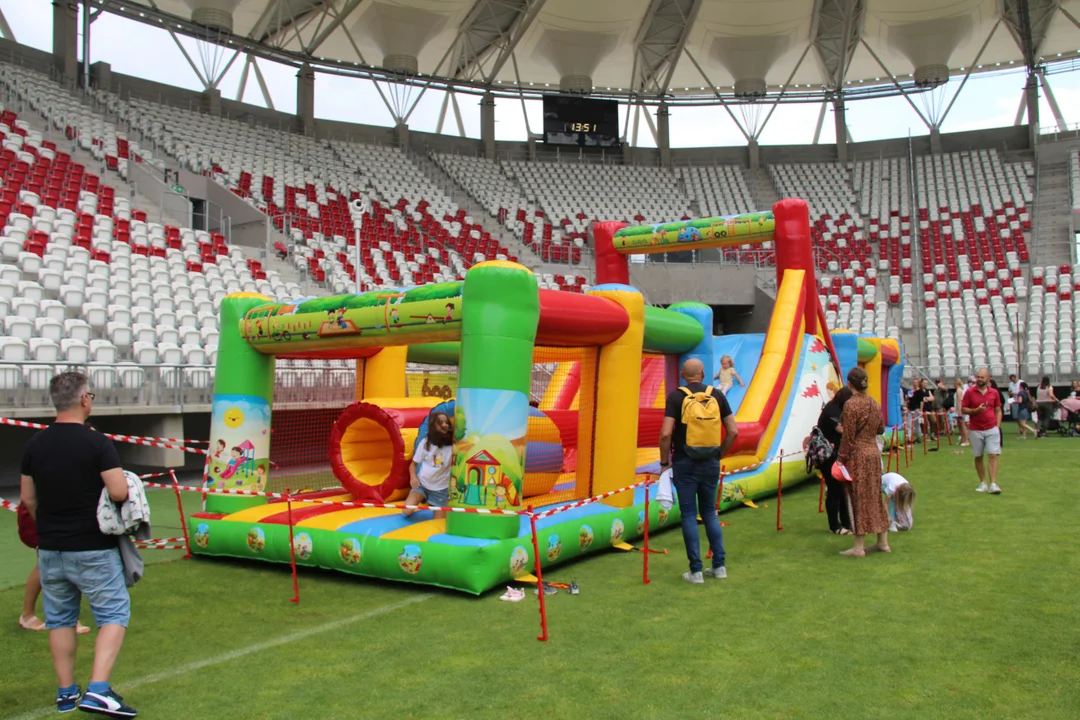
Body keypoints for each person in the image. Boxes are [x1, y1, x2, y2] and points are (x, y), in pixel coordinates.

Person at [19, 372, 137, 717]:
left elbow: (28, 498)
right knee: (114, 613)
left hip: (51, 547)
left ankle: (66, 693)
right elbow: (118, 491)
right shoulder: (96, 443)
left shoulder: (35, 444)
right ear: (85, 400)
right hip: (92, 546)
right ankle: (99, 690)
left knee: (59, 620)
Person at [659, 358, 738, 583]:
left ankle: (696, 571)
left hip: (684, 463)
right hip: (710, 462)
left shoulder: (676, 397)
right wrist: (718, 453)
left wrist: (664, 462)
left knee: (688, 515)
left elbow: (665, 433)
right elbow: (733, 431)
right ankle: (719, 566)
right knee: (710, 513)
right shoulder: (718, 396)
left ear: (683, 375)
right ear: (703, 374)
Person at [836, 367, 891, 557]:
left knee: (857, 497)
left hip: (857, 456)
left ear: (850, 383)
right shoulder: (874, 404)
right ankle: (882, 542)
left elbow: (848, 437)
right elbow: (881, 429)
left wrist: (840, 460)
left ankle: (858, 547)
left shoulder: (851, 405)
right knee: (875, 495)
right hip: (873, 455)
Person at [17, 503, 91, 635]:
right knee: (53, 560)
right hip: (46, 513)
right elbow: (28, 497)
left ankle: (29, 615)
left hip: (58, 513)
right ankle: (64, 617)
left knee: (48, 561)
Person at [814, 386, 853, 535]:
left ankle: (846, 522)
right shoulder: (832, 411)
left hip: (837, 455)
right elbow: (841, 429)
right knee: (835, 490)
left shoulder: (838, 409)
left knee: (841, 489)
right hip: (828, 456)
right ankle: (835, 525)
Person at [404, 411, 453, 519]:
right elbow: (413, 465)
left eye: (446, 423)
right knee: (407, 511)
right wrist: (413, 477)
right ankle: (421, 497)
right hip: (423, 485)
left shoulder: (452, 445)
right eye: (441, 423)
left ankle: (432, 501)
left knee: (437, 522)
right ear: (433, 426)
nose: (445, 425)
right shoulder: (426, 443)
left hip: (441, 489)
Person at [963, 367, 1004, 495]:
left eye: (982, 377)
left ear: (988, 378)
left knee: (993, 455)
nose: (979, 379)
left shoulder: (994, 393)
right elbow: (963, 409)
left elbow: (998, 410)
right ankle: (983, 482)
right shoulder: (970, 392)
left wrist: (997, 426)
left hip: (992, 428)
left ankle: (993, 483)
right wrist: (976, 411)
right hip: (975, 429)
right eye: (978, 377)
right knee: (978, 456)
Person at [953, 378, 970, 446]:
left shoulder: (959, 391)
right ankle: (962, 440)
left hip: (960, 410)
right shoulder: (961, 390)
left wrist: (958, 411)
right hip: (959, 409)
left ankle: (966, 440)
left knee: (963, 425)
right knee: (960, 426)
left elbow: (959, 401)